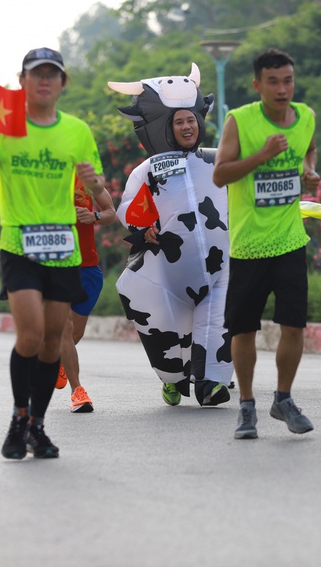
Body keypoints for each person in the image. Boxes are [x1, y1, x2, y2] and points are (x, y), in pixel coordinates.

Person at [0, 47, 105, 459]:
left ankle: (38, 427)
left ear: (63, 83)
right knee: (29, 335)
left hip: (63, 247)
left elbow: (98, 187)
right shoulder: (2, 125)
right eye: (36, 73)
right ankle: (18, 417)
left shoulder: (77, 131)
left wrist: (95, 183)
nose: (44, 80)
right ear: (22, 80)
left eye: (52, 74)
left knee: (50, 343)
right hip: (19, 243)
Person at [110, 63, 232, 409]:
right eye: (178, 121)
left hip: (219, 269)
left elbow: (244, 192)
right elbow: (127, 212)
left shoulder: (217, 159)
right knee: (166, 333)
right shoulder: (146, 170)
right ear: (168, 126)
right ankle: (173, 380)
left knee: (217, 323)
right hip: (168, 270)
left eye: (190, 119)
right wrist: (142, 229)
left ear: (199, 121)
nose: (186, 126)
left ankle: (212, 385)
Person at [212, 49, 320, 439]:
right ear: (257, 85)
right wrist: (262, 155)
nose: (282, 88)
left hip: (290, 239)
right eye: (273, 82)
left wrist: (309, 172)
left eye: (287, 80)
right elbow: (220, 175)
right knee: (244, 330)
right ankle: (246, 405)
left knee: (294, 325)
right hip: (249, 245)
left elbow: (308, 149)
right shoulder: (240, 120)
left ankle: (284, 398)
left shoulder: (305, 116)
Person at [57, 175, 116, 413]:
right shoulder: (43, 178)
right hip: (56, 264)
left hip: (87, 268)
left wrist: (94, 217)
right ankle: (77, 391)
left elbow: (111, 212)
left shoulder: (88, 178)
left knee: (75, 334)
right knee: (66, 328)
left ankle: (57, 360)